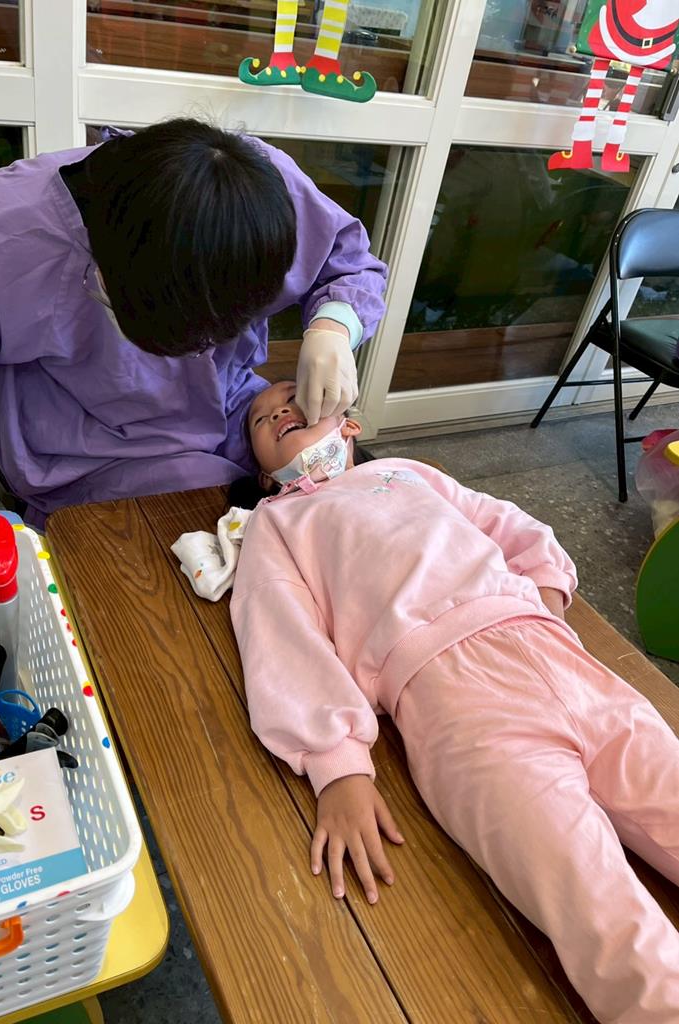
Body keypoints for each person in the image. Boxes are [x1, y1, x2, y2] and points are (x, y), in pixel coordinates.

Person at [230, 380, 679, 1024]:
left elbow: (511, 525)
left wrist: (543, 598)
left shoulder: (407, 472)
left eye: (293, 399)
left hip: (560, 658)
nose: (278, 412)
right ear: (262, 474)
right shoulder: (277, 522)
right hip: (458, 705)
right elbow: (279, 637)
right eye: (261, 420)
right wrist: (338, 767)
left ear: (349, 425)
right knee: (599, 910)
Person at [0, 120, 386, 527]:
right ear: (106, 279)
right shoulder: (11, 232)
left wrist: (334, 326)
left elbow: (345, 262)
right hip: (95, 445)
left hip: (233, 403)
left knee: (335, 498)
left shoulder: (251, 186)